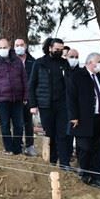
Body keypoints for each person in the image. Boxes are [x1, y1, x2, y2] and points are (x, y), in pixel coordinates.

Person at [67, 53, 100, 187]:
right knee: (84, 147)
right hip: (84, 119)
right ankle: (85, 175)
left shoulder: (99, 78)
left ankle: (96, 176)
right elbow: (71, 97)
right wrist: (74, 117)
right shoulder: (78, 76)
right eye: (99, 61)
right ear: (91, 62)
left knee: (97, 149)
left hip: (99, 118)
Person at [29, 38, 72, 168]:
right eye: (56, 49)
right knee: (50, 133)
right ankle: (51, 161)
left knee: (62, 134)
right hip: (46, 105)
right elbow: (32, 84)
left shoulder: (65, 64)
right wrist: (33, 105)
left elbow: (69, 84)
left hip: (62, 105)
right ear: (50, 48)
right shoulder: (40, 63)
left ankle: (64, 163)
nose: (59, 52)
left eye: (61, 49)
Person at [0, 38, 28, 155]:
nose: (3, 50)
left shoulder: (17, 61)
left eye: (5, 47)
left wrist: (26, 96)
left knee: (19, 125)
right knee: (5, 124)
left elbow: (24, 79)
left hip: (17, 98)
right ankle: (8, 149)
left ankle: (17, 149)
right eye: (0, 48)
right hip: (1, 99)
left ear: (9, 47)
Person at [14, 38, 38, 156]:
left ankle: (30, 145)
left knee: (28, 122)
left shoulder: (32, 62)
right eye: (17, 45)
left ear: (26, 46)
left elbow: (35, 81)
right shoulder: (10, 61)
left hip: (28, 97)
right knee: (16, 122)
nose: (19, 47)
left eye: (21, 45)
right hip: (14, 97)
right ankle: (17, 144)